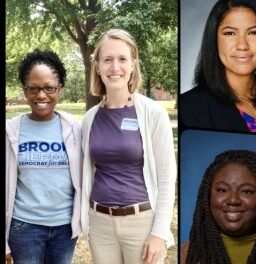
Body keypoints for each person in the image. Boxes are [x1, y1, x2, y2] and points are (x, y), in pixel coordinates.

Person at [80, 28, 176, 264]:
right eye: (107, 60)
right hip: (100, 224)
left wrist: (159, 233)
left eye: (122, 59)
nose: (115, 67)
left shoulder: (152, 113)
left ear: (133, 64)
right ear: (98, 67)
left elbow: (166, 177)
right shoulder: (89, 119)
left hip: (142, 223)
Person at [5, 50, 82, 264]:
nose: (41, 95)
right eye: (34, 88)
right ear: (25, 90)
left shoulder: (75, 129)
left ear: (60, 90)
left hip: (64, 228)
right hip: (24, 227)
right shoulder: (11, 130)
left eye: (49, 88)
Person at [180, 0, 256, 134]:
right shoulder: (189, 107)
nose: (242, 45)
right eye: (230, 33)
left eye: (254, 32)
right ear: (214, 40)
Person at [180, 149, 256, 264]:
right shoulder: (189, 253)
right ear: (208, 196)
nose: (233, 200)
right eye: (222, 190)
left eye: (247, 191)